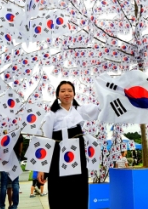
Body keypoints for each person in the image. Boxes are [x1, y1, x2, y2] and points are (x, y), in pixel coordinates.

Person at [42, 80, 100, 209]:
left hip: (77, 156)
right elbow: (46, 141)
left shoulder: (80, 110)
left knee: (78, 192)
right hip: (57, 158)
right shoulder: (51, 115)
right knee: (59, 192)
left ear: (74, 93)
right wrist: (42, 168)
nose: (66, 93)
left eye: (69, 90)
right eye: (63, 91)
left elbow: (99, 110)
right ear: (57, 95)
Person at [0, 134, 23, 209]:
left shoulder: (4, 132)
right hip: (15, 158)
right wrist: (18, 155)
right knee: (15, 183)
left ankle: (1, 206)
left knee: (4, 184)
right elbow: (20, 148)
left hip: (5, 158)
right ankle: (15, 205)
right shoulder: (18, 133)